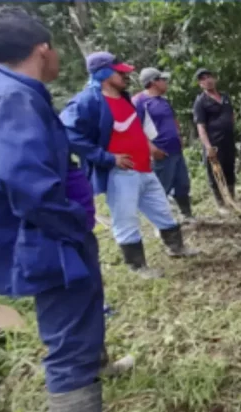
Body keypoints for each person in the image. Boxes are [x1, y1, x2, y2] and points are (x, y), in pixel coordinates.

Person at [0, 7, 112, 412]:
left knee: (81, 326)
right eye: (56, 48)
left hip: (50, 236)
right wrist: (72, 223)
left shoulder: (2, 90)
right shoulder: (13, 98)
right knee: (69, 345)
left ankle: (96, 368)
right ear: (42, 49)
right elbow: (23, 180)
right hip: (49, 241)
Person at [60, 52, 199, 280]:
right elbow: (68, 132)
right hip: (120, 173)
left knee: (163, 210)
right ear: (105, 74)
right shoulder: (88, 101)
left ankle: (176, 247)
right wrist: (107, 157)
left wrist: (148, 146)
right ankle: (137, 266)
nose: (126, 76)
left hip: (145, 168)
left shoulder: (124, 98)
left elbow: (133, 128)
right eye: (120, 72)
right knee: (125, 219)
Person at [133, 67, 196, 224]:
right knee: (161, 188)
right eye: (163, 80)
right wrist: (151, 148)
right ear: (154, 82)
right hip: (160, 151)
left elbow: (173, 120)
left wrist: (178, 135)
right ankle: (161, 223)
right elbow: (135, 129)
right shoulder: (139, 102)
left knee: (182, 183)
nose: (166, 83)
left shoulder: (163, 100)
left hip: (175, 149)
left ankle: (186, 215)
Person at [193, 67, 236, 214]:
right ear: (200, 84)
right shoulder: (200, 102)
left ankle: (232, 199)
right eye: (203, 79)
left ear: (214, 79)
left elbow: (231, 115)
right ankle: (221, 204)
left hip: (228, 141)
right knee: (215, 173)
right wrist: (208, 146)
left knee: (230, 169)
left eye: (209, 77)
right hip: (214, 144)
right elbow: (200, 126)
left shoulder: (225, 97)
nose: (208, 80)